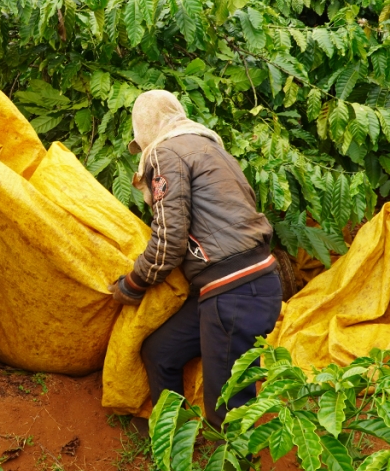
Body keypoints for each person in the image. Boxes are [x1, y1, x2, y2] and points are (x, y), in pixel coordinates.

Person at [108, 90, 282, 430]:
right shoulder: (210, 148)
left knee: (228, 409)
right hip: (241, 285)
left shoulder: (165, 152)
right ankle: (172, 438)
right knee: (161, 351)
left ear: (145, 130)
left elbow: (169, 240)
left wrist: (132, 284)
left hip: (233, 290)